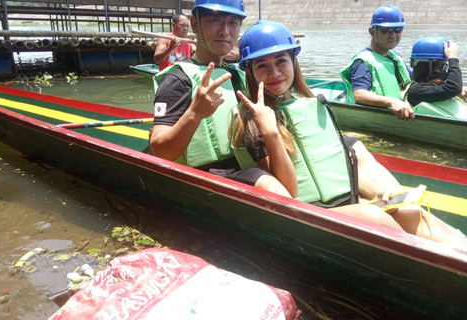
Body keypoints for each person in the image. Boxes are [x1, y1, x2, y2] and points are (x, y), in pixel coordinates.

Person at [230, 19, 466, 248]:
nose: (274, 72)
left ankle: (459, 248)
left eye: (281, 61)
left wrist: (376, 192)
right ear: (250, 72)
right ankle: (431, 260)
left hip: (342, 198)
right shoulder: (250, 121)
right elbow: (288, 191)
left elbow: (334, 164)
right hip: (308, 211)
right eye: (262, 65)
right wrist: (270, 133)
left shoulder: (313, 106)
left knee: (405, 209)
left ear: (293, 62)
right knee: (373, 216)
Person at [150, 0, 290, 196]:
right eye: (216, 20)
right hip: (208, 174)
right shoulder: (176, 79)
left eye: (233, 22)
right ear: (195, 24)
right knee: (268, 184)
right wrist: (195, 113)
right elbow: (160, 151)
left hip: (251, 163)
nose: (225, 31)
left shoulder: (241, 75)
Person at [340, 5, 415, 121]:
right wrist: (392, 101)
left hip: (400, 110)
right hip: (377, 115)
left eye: (398, 29)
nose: (393, 35)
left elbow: (412, 82)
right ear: (372, 32)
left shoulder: (395, 57)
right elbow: (360, 95)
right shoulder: (363, 61)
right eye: (386, 30)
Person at [406, 37, 467, 118]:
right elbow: (454, 88)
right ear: (425, 67)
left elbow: (453, 89)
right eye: (441, 66)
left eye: (445, 66)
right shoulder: (417, 91)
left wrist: (461, 94)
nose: (444, 71)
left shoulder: (437, 88)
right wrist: (453, 59)